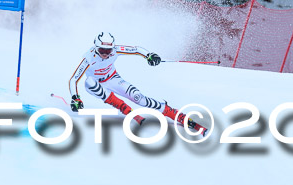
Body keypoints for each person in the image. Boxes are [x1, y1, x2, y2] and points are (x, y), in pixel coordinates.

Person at [68, 32, 206, 134]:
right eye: (101, 50)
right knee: (89, 82)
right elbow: (74, 79)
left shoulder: (116, 50)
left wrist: (149, 55)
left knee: (139, 99)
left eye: (108, 50)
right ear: (95, 47)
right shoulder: (89, 57)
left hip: (113, 78)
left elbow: (135, 49)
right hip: (96, 85)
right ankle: (123, 107)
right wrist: (75, 98)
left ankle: (174, 113)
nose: (105, 54)